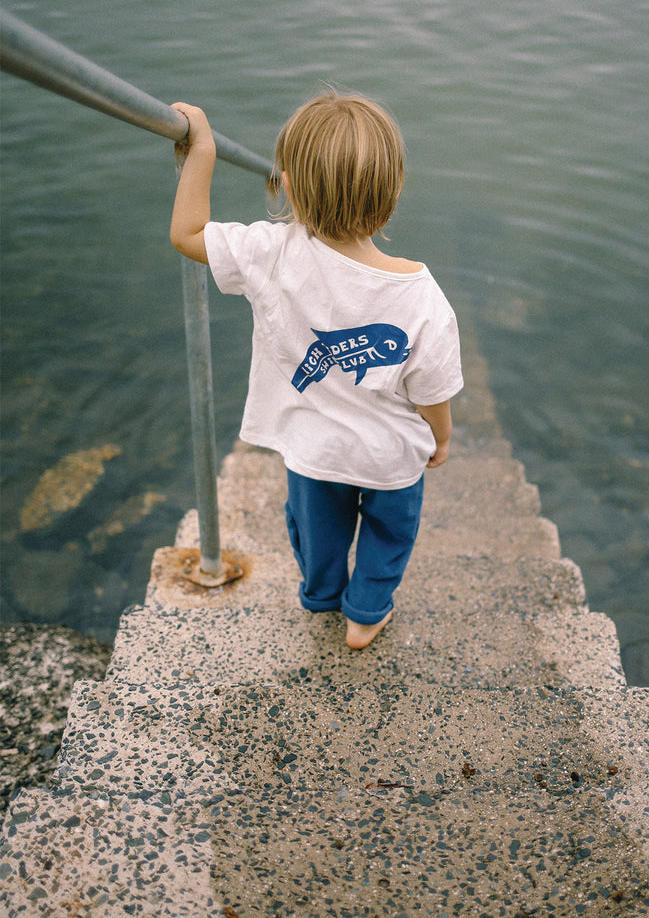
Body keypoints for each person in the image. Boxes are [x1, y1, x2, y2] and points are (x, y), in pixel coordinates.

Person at [169, 89, 463, 649]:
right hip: (390, 455)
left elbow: (187, 234)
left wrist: (202, 147)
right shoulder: (422, 296)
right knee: (388, 533)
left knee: (318, 531)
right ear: (393, 189)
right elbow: (433, 389)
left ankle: (324, 593)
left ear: (286, 184)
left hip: (312, 448)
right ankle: (365, 612)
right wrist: (441, 439)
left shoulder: (270, 253)